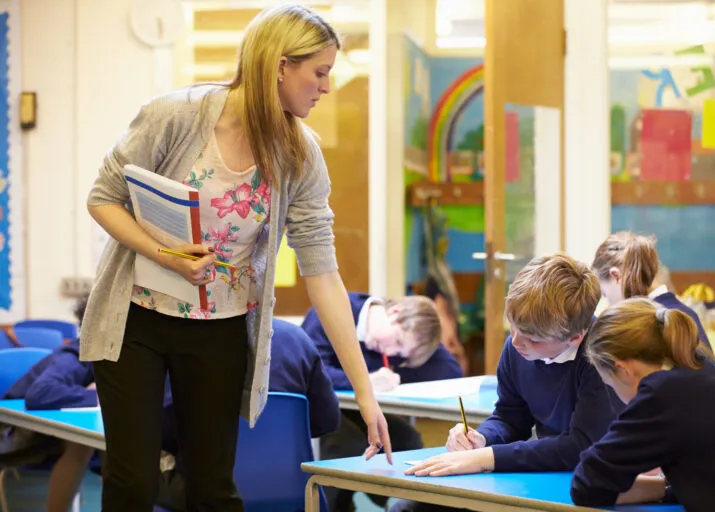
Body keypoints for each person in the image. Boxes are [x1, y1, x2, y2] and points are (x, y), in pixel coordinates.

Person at [80, 5, 391, 511]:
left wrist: (366, 394)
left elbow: (323, 274)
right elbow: (102, 198)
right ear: (280, 65)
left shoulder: (301, 154)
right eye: (320, 72)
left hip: (221, 325)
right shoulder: (175, 115)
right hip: (135, 319)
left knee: (212, 487)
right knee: (132, 483)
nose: (326, 87)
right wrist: (168, 255)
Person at [392, 254, 621, 512]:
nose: (515, 342)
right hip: (540, 474)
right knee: (409, 508)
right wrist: (482, 438)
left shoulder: (602, 356)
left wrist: (487, 458)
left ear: (575, 338)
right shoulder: (517, 348)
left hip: (589, 483)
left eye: (533, 339)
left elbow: (581, 445)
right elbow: (511, 417)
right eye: (512, 327)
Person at [571, 298, 715, 510]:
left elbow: (587, 484)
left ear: (623, 370)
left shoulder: (661, 394)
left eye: (609, 383)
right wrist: (663, 486)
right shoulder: (700, 369)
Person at [156, 318, 341, 511]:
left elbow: (163, 428)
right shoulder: (297, 339)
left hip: (208, 490)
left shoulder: (187, 341)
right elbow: (327, 421)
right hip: (289, 489)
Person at [302, 292, 461, 511]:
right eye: (397, 342)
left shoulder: (398, 344)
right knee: (349, 444)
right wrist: (365, 381)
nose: (391, 352)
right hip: (320, 407)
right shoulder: (333, 309)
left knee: (407, 439)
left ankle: (397, 505)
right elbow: (312, 371)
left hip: (359, 409)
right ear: (395, 313)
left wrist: (398, 371)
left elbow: (450, 370)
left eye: (400, 354)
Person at [1, 297, 95, 512]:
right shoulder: (76, 354)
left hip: (48, 428)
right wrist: (98, 396)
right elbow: (40, 394)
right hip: (12, 433)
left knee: (89, 444)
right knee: (83, 445)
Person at [591, 231, 712, 352]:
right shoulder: (686, 313)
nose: (609, 303)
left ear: (616, 276)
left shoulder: (640, 327)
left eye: (605, 294)